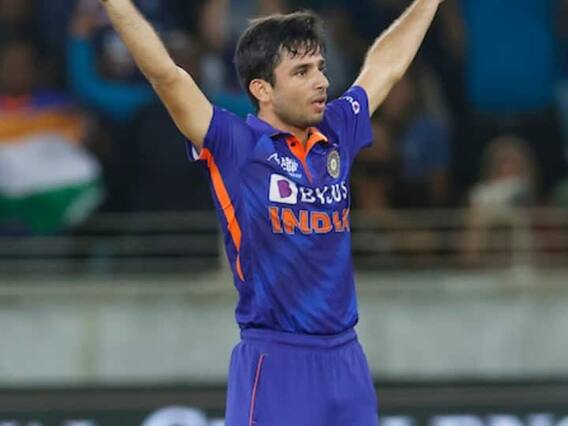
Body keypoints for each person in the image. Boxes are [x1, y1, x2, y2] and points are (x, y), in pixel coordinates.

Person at [98, 0, 445, 424]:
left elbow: (386, 65)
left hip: (347, 360)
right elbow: (166, 75)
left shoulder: (337, 130)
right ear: (262, 90)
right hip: (276, 360)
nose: (321, 81)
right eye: (302, 72)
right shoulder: (235, 145)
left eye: (320, 68)